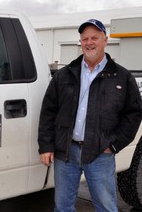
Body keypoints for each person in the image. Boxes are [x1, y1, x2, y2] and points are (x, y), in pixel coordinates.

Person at [38, 19, 142, 212]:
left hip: (99, 154)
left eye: (95, 37)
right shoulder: (64, 74)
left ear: (105, 40)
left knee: (106, 206)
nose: (89, 42)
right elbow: (49, 111)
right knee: (63, 206)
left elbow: (133, 115)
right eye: (84, 38)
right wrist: (46, 146)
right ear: (80, 42)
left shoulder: (122, 77)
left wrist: (113, 145)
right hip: (66, 153)